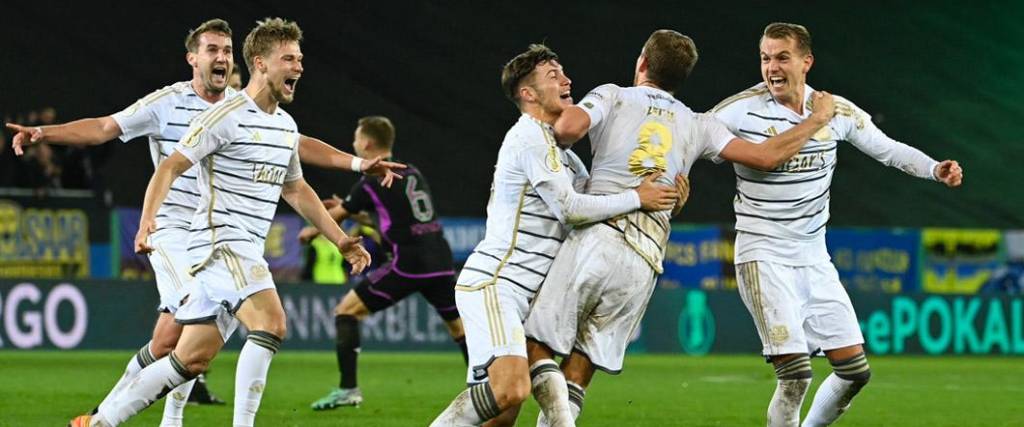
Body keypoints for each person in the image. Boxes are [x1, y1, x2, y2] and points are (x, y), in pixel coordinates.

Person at [4, 18, 400, 427]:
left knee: (186, 354)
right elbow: (133, 144)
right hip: (199, 236)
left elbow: (295, 183)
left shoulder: (278, 122)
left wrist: (342, 229)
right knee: (270, 322)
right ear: (198, 58)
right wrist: (145, 220)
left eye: (227, 51)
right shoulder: (203, 111)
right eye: (290, 59)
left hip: (237, 244)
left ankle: (99, 421)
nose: (299, 67)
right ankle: (183, 422)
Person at [523, 29, 837, 426]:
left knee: (537, 346)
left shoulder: (613, 94)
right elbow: (764, 156)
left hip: (599, 234)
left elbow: (568, 129)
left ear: (642, 62)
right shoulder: (699, 123)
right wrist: (818, 120)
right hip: (645, 259)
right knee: (582, 368)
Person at [710, 22, 962, 427]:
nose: (771, 67)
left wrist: (935, 169)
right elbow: (690, 138)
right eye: (765, 58)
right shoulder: (738, 110)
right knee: (794, 377)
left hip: (813, 257)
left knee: (854, 372)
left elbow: (887, 149)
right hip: (763, 254)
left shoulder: (837, 110)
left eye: (781, 57)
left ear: (806, 62)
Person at [430, 44, 678, 427]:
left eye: (563, 73)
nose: (567, 80)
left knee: (503, 414)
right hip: (498, 283)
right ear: (528, 94)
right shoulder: (528, 137)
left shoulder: (565, 155)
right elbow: (571, 209)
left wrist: (661, 199)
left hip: (531, 294)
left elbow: (596, 207)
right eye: (553, 76)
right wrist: (636, 197)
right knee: (510, 391)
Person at [299, 116, 471, 410]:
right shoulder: (411, 171)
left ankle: (348, 389)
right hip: (440, 259)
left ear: (366, 144)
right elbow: (394, 221)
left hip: (408, 263)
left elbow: (340, 212)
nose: (353, 142)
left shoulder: (371, 181)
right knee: (461, 330)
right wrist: (357, 213)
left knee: (346, 312)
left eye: (356, 138)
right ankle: (487, 386)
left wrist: (312, 231)